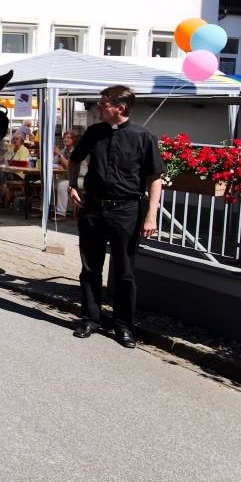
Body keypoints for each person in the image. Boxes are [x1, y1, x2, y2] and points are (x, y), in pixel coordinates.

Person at [67, 85, 165, 349]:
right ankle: (90, 318)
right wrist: (73, 185)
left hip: (126, 210)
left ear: (120, 108)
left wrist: (151, 215)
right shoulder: (94, 133)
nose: (99, 107)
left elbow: (155, 178)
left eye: (103, 103)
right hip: (92, 208)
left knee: (124, 271)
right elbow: (75, 159)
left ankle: (123, 326)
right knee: (90, 268)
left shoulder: (143, 137)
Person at [54, 130, 79, 216]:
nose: (65, 139)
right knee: (49, 183)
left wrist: (60, 155)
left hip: (80, 178)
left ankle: (61, 213)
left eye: (68, 137)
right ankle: (47, 209)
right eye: (64, 137)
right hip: (68, 177)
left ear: (73, 140)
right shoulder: (64, 150)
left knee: (62, 184)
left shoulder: (77, 151)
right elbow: (53, 162)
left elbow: (70, 166)